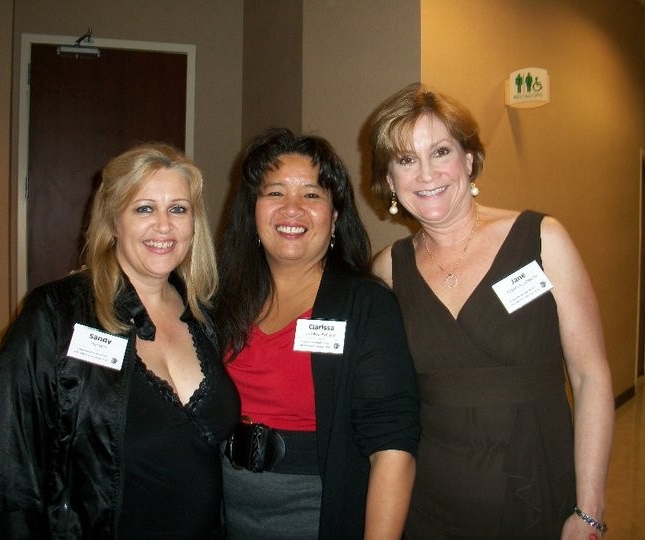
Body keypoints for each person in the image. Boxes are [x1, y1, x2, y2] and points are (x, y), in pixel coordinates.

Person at [369, 82, 614, 539]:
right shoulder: (388, 270)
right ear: (390, 180)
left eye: (441, 151)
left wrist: (589, 511)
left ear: (469, 160)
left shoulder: (542, 239)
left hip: (537, 486)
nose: (426, 174)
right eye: (405, 160)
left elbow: (590, 376)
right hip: (431, 502)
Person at [0, 143, 240, 539]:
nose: (164, 226)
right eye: (144, 208)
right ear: (113, 220)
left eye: (178, 209)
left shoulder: (206, 315)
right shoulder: (54, 315)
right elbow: (15, 473)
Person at [215, 127, 420, 540]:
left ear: (335, 216)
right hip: (227, 514)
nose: (292, 208)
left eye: (311, 194)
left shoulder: (365, 305)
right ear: (253, 211)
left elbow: (392, 447)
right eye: (275, 192)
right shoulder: (221, 302)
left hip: (319, 513)